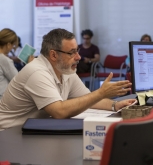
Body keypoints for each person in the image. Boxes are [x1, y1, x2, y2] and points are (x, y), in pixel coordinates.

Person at [0, 28, 136, 130]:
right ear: (53, 55)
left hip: (33, 129)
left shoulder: (66, 70)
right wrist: (101, 92)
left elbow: (88, 98)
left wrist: (114, 105)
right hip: (9, 134)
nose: (78, 57)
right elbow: (59, 111)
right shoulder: (36, 72)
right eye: (72, 52)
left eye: (77, 51)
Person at [0, 28, 19, 99]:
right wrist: (30, 65)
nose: (12, 48)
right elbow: (18, 81)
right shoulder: (4, 60)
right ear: (8, 44)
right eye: (13, 45)